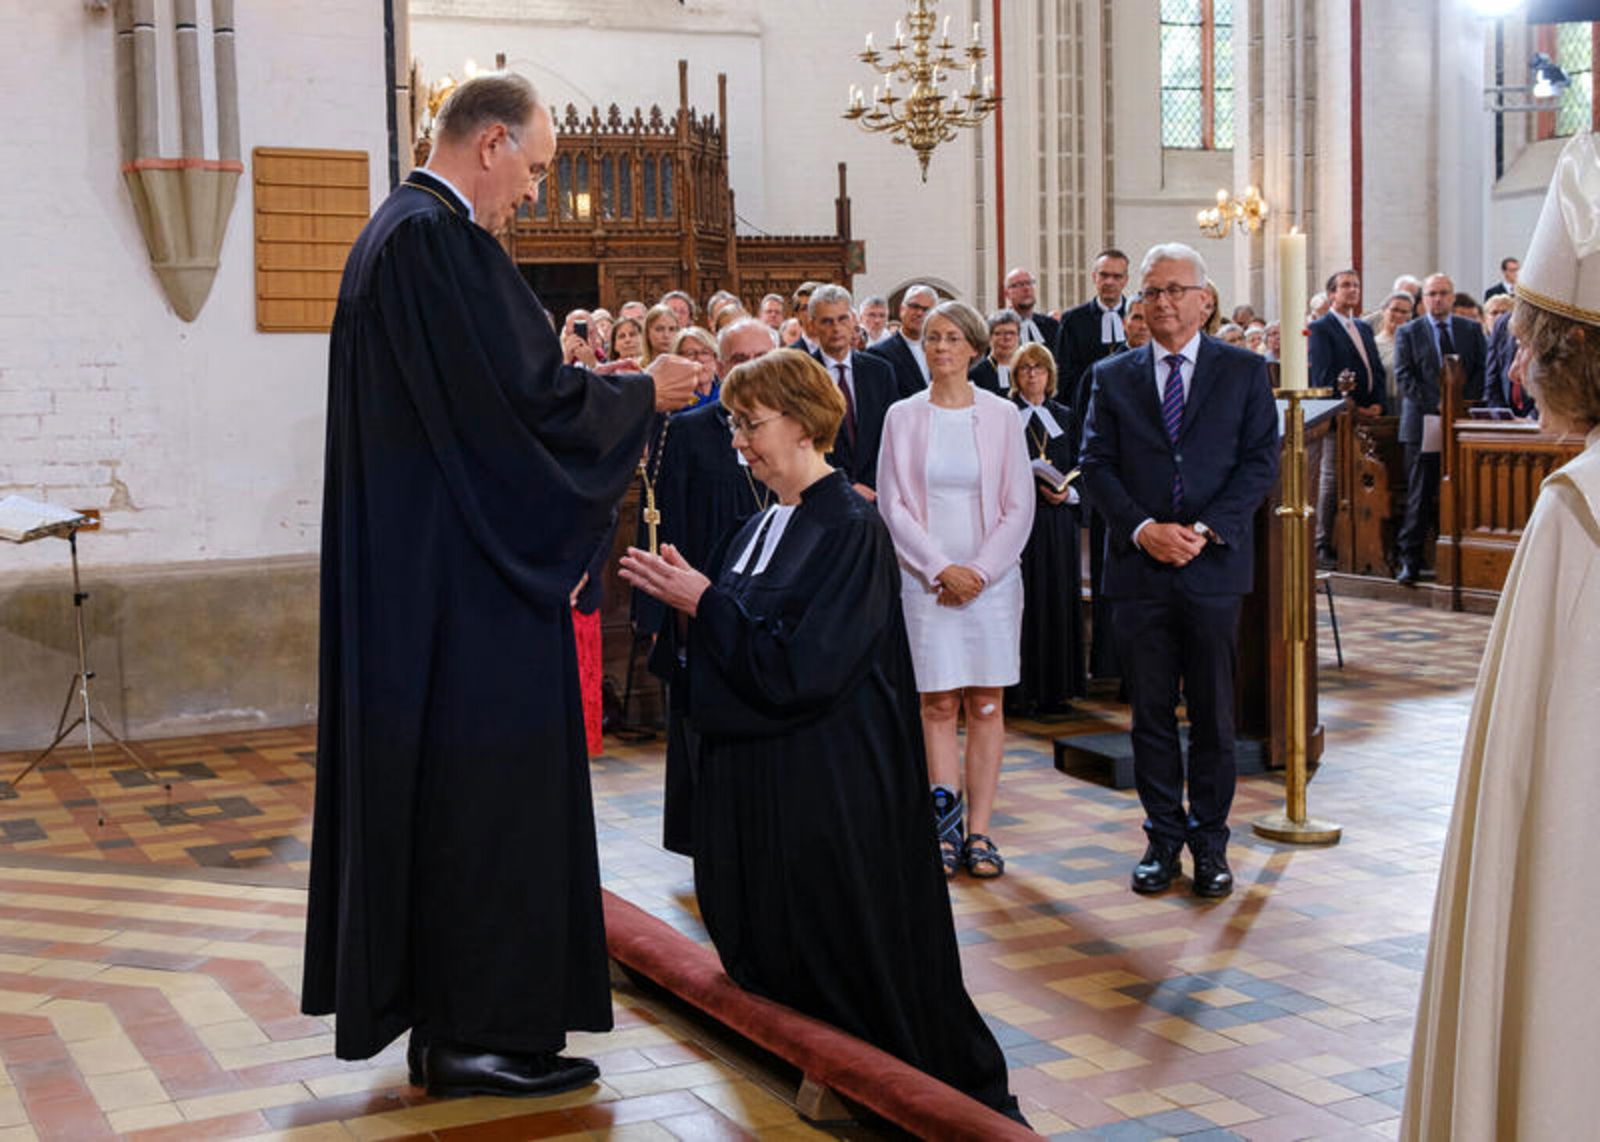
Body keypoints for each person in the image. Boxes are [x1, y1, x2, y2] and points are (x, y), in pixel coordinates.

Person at [302, 72, 698, 1098]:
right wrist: (640, 393)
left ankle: (452, 1027)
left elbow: (491, 404)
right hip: (469, 598)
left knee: (449, 797)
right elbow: (528, 404)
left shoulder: (390, 236)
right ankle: (479, 1033)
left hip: (427, 581)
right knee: (488, 800)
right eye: (536, 166)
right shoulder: (438, 243)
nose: (533, 190)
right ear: (490, 143)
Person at [618, 350, 1026, 1125]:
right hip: (770, 786)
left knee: (857, 975)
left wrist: (708, 604)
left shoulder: (851, 527)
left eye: (751, 423)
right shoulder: (759, 524)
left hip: (830, 793)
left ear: (804, 424)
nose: (739, 441)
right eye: (734, 423)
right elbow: (737, 647)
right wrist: (693, 610)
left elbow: (808, 668)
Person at [1403, 130, 1600, 1142]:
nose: (1517, 365)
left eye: (1530, 343)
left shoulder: (1577, 510)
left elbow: (1545, 787)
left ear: (1574, 357)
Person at [1079, 242, 1280, 899]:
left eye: (1174, 290)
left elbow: (1259, 461)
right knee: (1150, 715)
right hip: (1140, 569)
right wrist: (1143, 529)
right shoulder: (1112, 376)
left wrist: (1203, 530)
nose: (1161, 302)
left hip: (1212, 565)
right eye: (1151, 291)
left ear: (1205, 300)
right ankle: (1163, 839)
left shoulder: (1244, 371)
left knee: (1215, 715)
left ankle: (1211, 843)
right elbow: (1096, 464)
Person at [877, 301, 1035, 879]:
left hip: (991, 582)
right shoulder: (902, 416)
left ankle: (981, 832)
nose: (940, 347)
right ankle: (942, 830)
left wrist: (979, 573)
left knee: (986, 703)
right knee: (938, 703)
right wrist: (941, 568)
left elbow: (1019, 504)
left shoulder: (1001, 414)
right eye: (931, 337)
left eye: (951, 338)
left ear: (973, 347)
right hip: (926, 582)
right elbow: (893, 503)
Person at [645, 318, 780, 856]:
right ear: (720, 366)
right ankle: (711, 840)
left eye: (762, 356)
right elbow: (667, 523)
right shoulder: (691, 429)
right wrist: (664, 612)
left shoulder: (797, 427)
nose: (752, 367)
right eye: (740, 358)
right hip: (702, 604)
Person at [1393, 273, 1487, 585]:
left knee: (1465, 490)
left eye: (1444, 293)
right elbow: (1404, 376)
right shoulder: (1409, 332)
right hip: (1423, 422)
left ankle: (1466, 561)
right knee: (1420, 493)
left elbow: (1481, 370)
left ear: (1452, 296)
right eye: (1432, 294)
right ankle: (1410, 560)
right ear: (1423, 299)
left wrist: (1459, 404)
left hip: (1461, 421)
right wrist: (1438, 404)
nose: (1438, 299)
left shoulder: (1470, 329)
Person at [1007, 343, 1085, 716]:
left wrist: (1069, 492)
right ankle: (1020, 691)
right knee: (1024, 601)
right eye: (1025, 368)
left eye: (1039, 368)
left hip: (1058, 520)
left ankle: (1057, 690)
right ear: (1015, 376)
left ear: (1050, 375)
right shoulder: (1006, 415)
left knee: (1057, 598)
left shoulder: (1066, 416)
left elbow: (1085, 463)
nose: (1032, 374)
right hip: (1020, 523)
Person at [1308, 269, 1387, 563]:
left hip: (1368, 414)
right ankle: (1321, 541)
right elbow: (1323, 376)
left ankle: (1358, 540)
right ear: (1332, 294)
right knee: (1330, 476)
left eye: (1356, 285)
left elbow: (1375, 369)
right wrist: (1348, 406)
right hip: (1337, 418)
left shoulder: (1363, 327)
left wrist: (1378, 404)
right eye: (1345, 286)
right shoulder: (1322, 328)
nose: (1352, 290)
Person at [806, 284, 898, 498]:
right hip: (824, 492)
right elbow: (802, 440)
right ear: (813, 325)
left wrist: (873, 485)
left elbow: (891, 434)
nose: (836, 328)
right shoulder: (801, 376)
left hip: (877, 492)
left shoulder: (880, 371)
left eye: (842, 319)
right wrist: (845, 485)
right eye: (827, 321)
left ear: (854, 320)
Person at [1056, 248, 1130, 422]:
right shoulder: (1073, 320)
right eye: (1104, 275)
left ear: (1126, 280)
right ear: (1094, 277)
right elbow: (1063, 373)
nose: (1109, 282)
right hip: (1085, 409)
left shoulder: (1138, 317)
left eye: (1117, 276)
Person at [867, 283, 937, 396]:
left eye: (926, 309)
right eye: (914, 306)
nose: (919, 313)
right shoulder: (879, 353)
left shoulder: (939, 351)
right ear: (902, 309)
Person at [1003, 266, 1060, 348]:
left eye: (1029, 283)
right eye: (1019, 284)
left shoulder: (1051, 326)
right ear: (1007, 293)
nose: (1026, 288)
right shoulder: (998, 327)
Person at [969, 308, 1020, 394]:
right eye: (999, 333)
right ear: (989, 338)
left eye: (1012, 333)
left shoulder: (1025, 371)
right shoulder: (975, 374)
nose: (1007, 338)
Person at [671, 326, 720, 408]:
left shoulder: (728, 394)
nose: (699, 358)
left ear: (715, 358)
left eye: (705, 352)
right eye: (690, 353)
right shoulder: (671, 400)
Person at [1372, 290, 1415, 381]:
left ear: (1410, 316)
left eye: (1404, 312)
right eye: (1394, 310)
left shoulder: (1416, 343)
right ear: (1383, 311)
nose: (1398, 315)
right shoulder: (1373, 344)